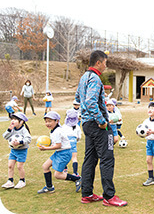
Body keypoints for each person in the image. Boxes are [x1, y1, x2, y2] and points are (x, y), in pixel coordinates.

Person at [75, 50, 127, 206]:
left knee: (90, 159)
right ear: (98, 62)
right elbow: (90, 102)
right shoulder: (95, 79)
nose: (106, 65)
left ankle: (87, 194)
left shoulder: (84, 77)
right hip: (98, 125)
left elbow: (78, 98)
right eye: (105, 62)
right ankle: (109, 197)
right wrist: (102, 121)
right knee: (107, 159)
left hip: (86, 124)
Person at [37, 111, 81, 194]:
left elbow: (58, 145)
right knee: (45, 166)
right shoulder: (54, 130)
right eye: (46, 121)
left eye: (50, 121)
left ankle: (77, 179)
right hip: (59, 152)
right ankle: (49, 187)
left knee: (58, 175)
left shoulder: (57, 131)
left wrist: (45, 148)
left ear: (57, 121)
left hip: (64, 153)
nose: (47, 123)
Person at [2, 112, 31, 189]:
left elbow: (28, 139)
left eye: (15, 119)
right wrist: (9, 129)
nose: (13, 121)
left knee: (19, 166)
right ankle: (10, 181)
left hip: (22, 151)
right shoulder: (12, 129)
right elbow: (5, 136)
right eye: (12, 119)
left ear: (21, 122)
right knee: (10, 166)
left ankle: (22, 181)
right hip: (13, 150)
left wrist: (20, 142)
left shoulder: (24, 130)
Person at [62, 109, 82, 176]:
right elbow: (79, 137)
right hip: (73, 143)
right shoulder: (77, 127)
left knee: (65, 157)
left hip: (65, 144)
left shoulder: (64, 126)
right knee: (74, 158)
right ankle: (75, 173)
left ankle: (65, 170)